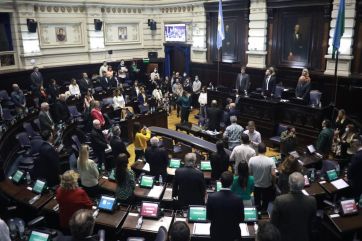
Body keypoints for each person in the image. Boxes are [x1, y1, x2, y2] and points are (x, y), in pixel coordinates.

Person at [271, 172, 317, 241]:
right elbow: (312, 223)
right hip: (304, 237)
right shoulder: (312, 201)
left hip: (284, 238)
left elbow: (273, 223)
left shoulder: (280, 200)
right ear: (304, 184)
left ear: (289, 184)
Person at [207, 171, 244, 241]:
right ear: (232, 182)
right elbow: (241, 219)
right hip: (233, 234)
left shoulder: (211, 197)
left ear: (220, 181)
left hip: (216, 234)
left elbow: (209, 217)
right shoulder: (238, 199)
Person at [249, 143, 276, 211]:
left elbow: (250, 173)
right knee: (265, 201)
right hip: (267, 185)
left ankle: (257, 212)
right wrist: (274, 183)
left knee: (257, 201)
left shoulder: (252, 159)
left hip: (256, 184)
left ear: (258, 150)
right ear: (266, 150)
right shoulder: (271, 160)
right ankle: (264, 212)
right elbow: (273, 174)